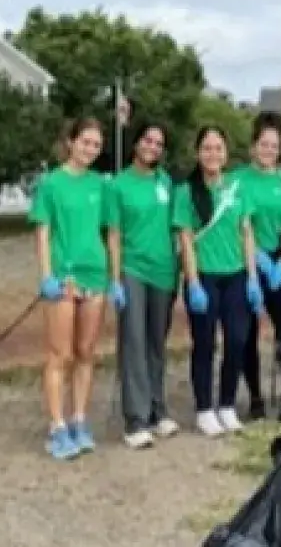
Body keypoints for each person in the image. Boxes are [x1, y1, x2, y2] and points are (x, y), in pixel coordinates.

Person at [174, 125, 265, 438]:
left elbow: (247, 232)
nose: (213, 154)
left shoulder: (238, 189)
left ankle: (227, 403)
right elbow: (185, 239)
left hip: (237, 275)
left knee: (238, 340)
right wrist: (193, 281)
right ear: (198, 153)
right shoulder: (186, 193)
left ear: (226, 154)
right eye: (207, 148)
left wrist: (253, 276)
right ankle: (203, 408)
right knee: (205, 343)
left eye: (218, 148)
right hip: (205, 277)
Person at [30, 117, 111, 460]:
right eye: (85, 142)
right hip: (64, 278)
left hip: (95, 276)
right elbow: (43, 232)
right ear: (71, 142)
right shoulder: (51, 184)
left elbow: (109, 230)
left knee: (86, 352)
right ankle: (57, 424)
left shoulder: (100, 185)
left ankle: (79, 418)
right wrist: (48, 274)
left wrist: (112, 276)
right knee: (59, 353)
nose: (90, 149)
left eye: (96, 145)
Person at [105, 123, 181, 449]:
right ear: (135, 143)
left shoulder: (166, 182)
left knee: (155, 343)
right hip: (133, 270)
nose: (153, 147)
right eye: (148, 140)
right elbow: (114, 234)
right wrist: (115, 277)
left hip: (164, 272)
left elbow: (177, 228)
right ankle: (134, 417)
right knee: (134, 341)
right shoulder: (118, 185)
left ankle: (155, 408)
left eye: (159, 143)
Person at [238, 113, 281, 422]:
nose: (269, 150)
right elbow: (242, 224)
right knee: (248, 332)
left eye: (274, 145)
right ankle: (255, 397)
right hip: (248, 260)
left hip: (277, 259)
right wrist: (256, 264)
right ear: (253, 146)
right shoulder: (239, 180)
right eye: (263, 144)